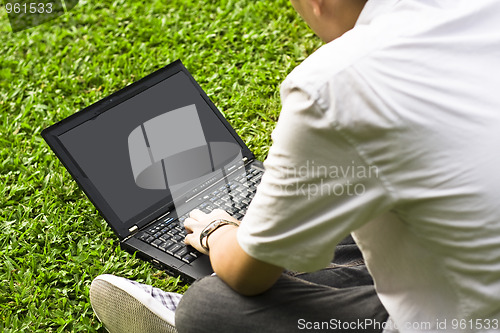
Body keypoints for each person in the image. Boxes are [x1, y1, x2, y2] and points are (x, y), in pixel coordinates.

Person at [90, 0, 500, 332]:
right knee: (347, 214)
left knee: (210, 306)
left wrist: (218, 231)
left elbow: (247, 275)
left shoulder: (333, 82)